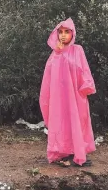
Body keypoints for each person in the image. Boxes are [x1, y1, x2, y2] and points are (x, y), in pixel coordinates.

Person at [39, 18, 96, 167]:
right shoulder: (54, 55)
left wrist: (86, 86)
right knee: (61, 123)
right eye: (60, 32)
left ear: (72, 33)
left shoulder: (78, 50)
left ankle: (78, 152)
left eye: (67, 32)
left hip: (76, 96)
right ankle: (62, 152)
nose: (63, 35)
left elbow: (84, 69)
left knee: (78, 122)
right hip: (59, 99)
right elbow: (48, 79)